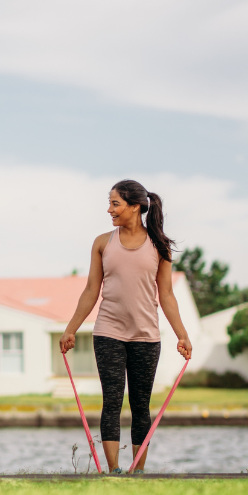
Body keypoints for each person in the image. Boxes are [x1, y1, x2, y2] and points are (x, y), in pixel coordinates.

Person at [59, 179, 192, 474]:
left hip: (146, 336)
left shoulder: (159, 246)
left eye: (115, 203)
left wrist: (182, 335)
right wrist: (71, 328)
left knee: (141, 405)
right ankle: (114, 471)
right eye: (109, 203)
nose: (109, 209)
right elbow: (91, 290)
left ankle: (139, 472)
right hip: (108, 333)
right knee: (113, 401)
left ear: (135, 207)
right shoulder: (103, 243)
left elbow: (167, 295)